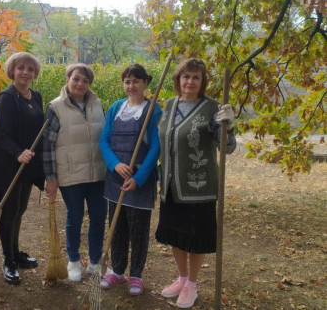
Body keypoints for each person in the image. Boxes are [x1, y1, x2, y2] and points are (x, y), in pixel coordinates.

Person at [155, 58, 236, 308]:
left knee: (195, 236)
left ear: (203, 81)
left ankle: (192, 284)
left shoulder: (212, 108)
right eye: (185, 76)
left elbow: (227, 148)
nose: (190, 81)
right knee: (176, 236)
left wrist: (229, 127)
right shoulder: (168, 105)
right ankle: (181, 279)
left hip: (198, 185)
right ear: (178, 79)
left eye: (196, 77)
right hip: (170, 184)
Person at [99, 64, 162, 296]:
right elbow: (104, 140)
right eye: (127, 81)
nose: (131, 85)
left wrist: (139, 177)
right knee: (117, 227)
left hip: (139, 180)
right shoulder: (116, 108)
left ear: (145, 83)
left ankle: (136, 275)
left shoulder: (154, 110)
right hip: (116, 178)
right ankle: (117, 271)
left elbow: (156, 147)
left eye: (136, 81)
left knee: (138, 230)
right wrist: (115, 164)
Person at [43, 63, 107, 282]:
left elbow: (106, 137)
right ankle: (73, 261)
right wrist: (51, 177)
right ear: (67, 79)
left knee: (99, 218)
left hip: (98, 173)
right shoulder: (55, 107)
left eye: (85, 80)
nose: (80, 84)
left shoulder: (97, 104)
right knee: (75, 217)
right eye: (76, 79)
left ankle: (95, 261)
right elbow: (47, 145)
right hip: (70, 174)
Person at [0, 52, 45, 285]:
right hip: (9, 165)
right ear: (12, 70)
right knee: (10, 212)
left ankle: (16, 252)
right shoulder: (7, 98)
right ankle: (8, 260)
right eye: (21, 67)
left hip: (28, 164)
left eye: (30, 69)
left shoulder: (36, 97)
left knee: (20, 210)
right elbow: (2, 135)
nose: (25, 72)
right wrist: (17, 152)